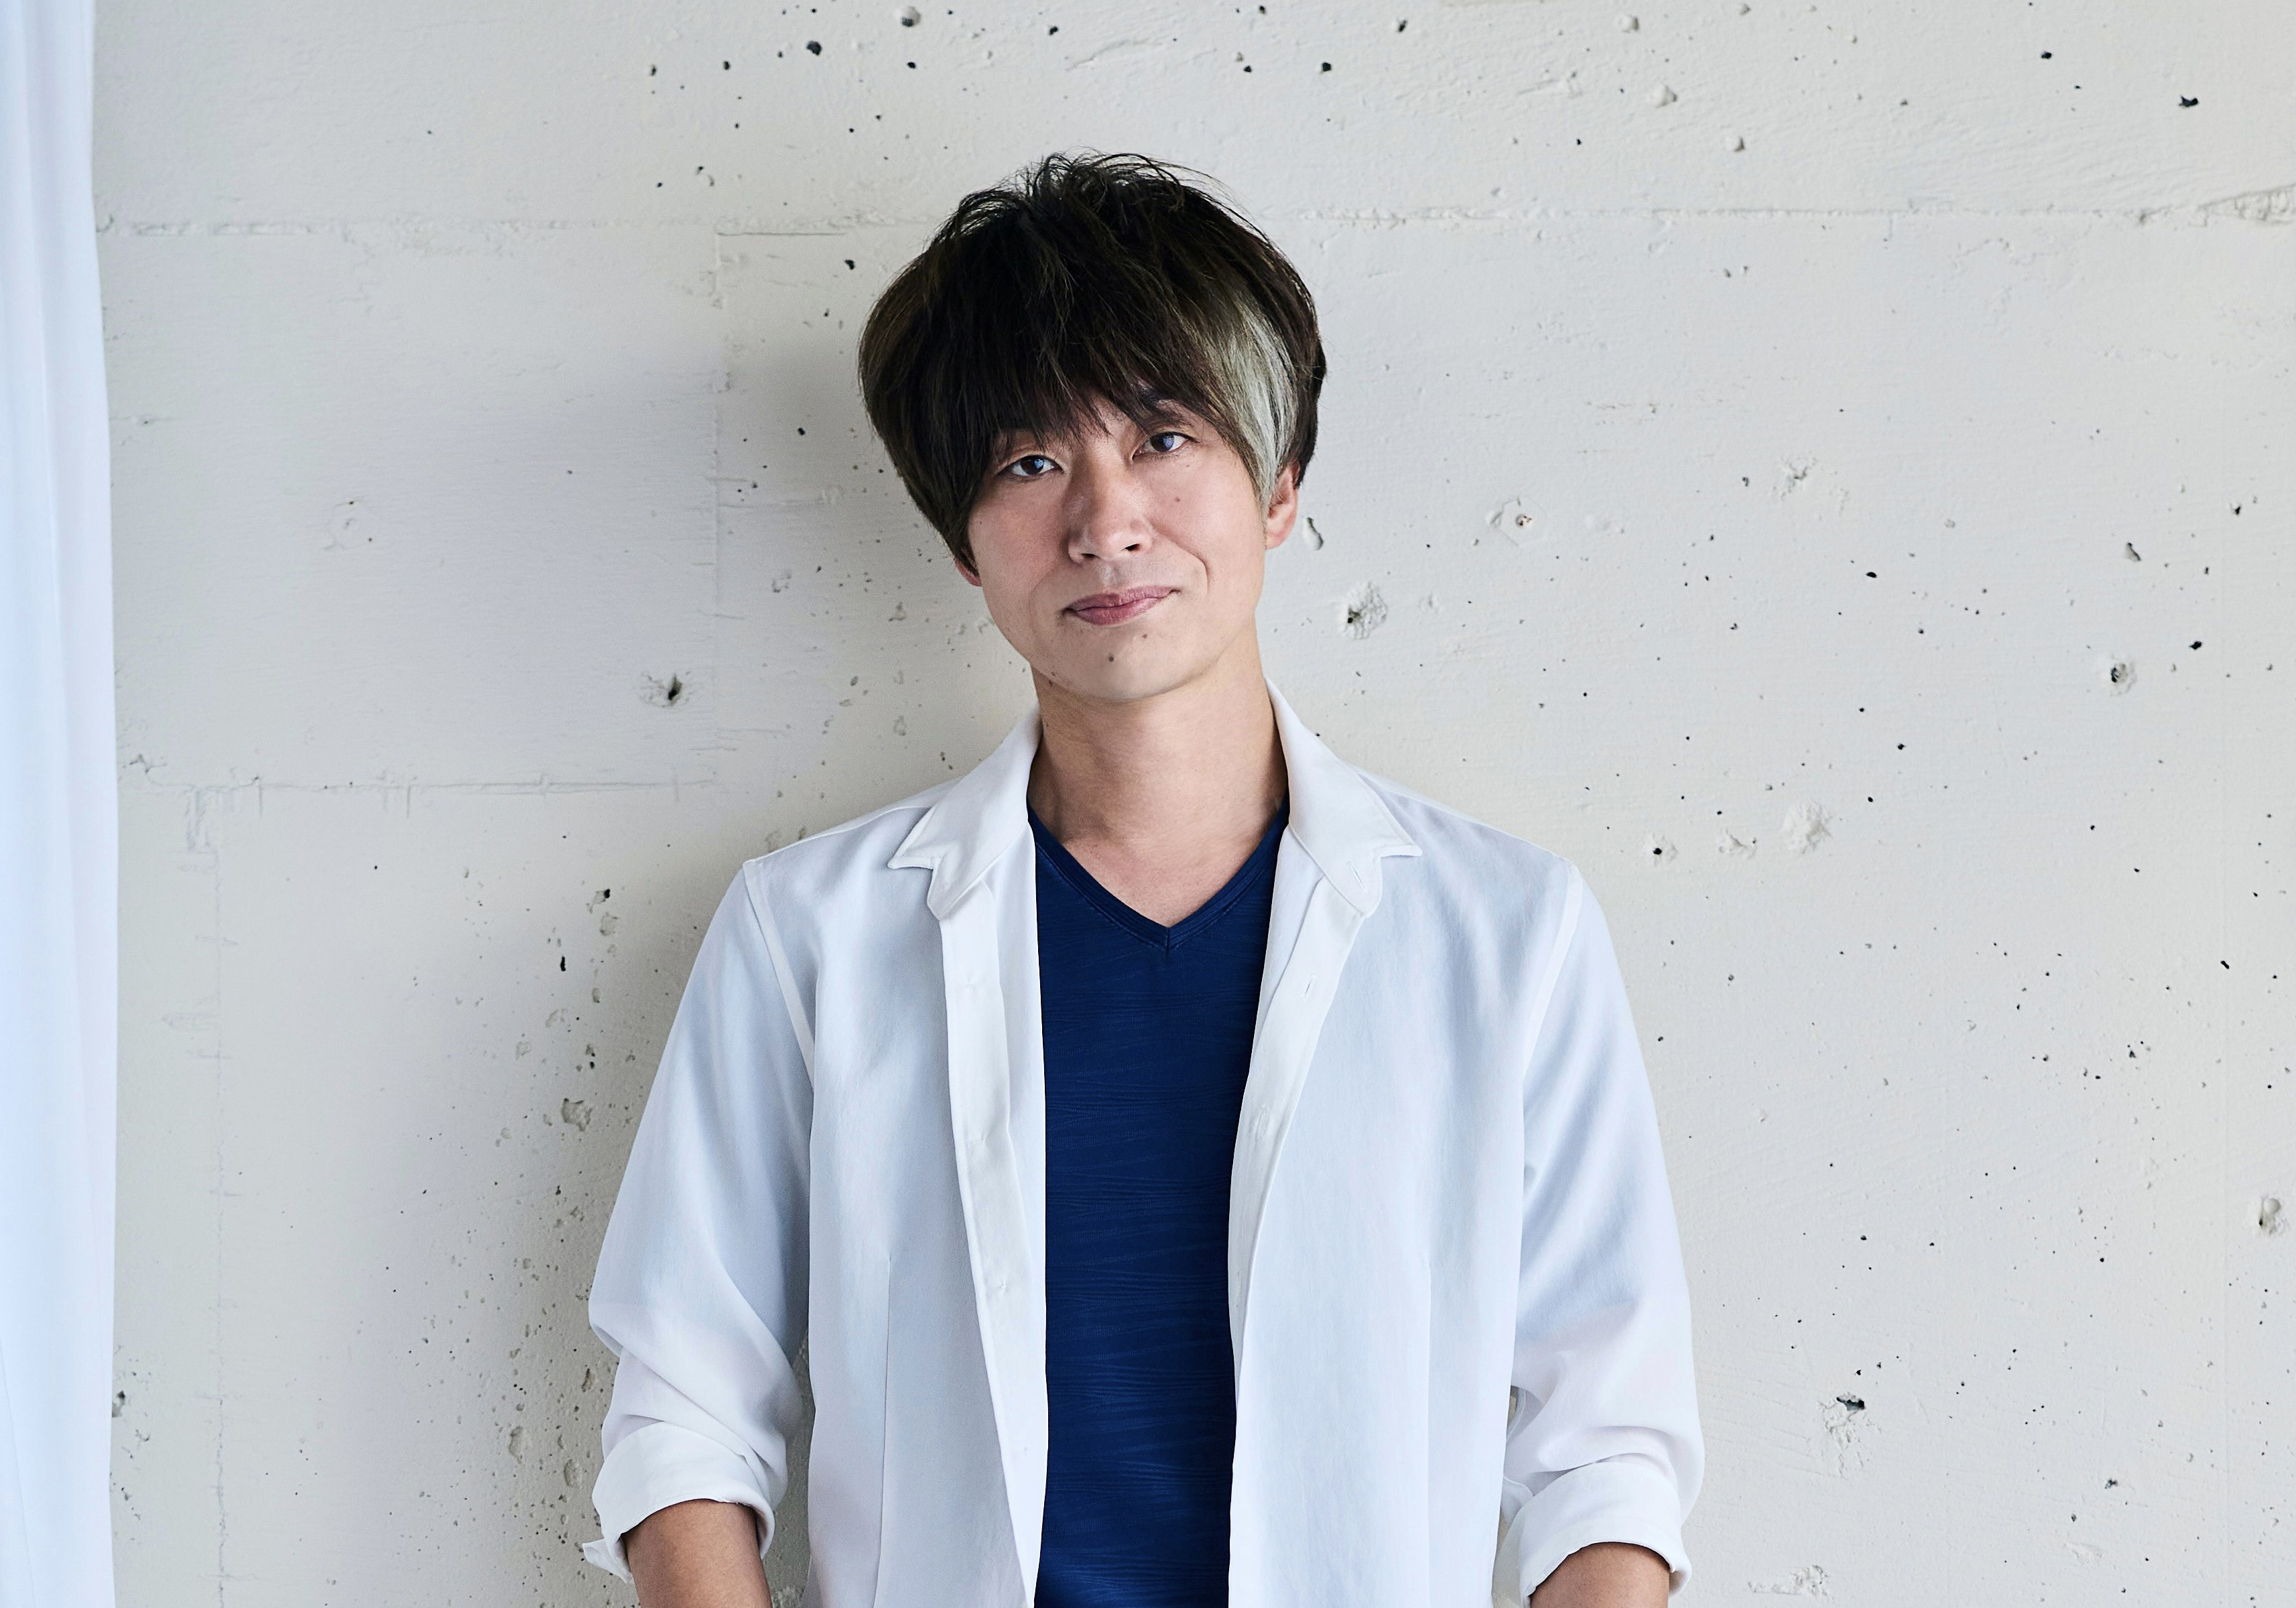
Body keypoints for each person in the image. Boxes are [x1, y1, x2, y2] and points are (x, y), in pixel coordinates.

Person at [579, 153, 1702, 1608]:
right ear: (963, 542)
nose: (1105, 522)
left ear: (1279, 484)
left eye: (1166, 437)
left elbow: (1605, 1452)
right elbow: (684, 1409)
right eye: (1029, 463)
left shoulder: (1504, 931)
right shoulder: (812, 934)